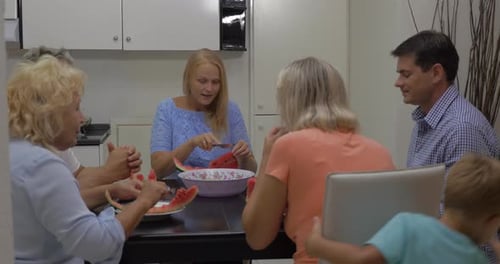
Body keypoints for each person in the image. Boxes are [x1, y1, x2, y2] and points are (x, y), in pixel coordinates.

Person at [8, 54, 169, 263]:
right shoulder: (43, 165)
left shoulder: (14, 151)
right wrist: (144, 201)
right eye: (76, 108)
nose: (82, 118)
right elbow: (98, 246)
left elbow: (55, 209)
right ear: (52, 114)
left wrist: (111, 190)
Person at [241, 57, 395, 263]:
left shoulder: (289, 145)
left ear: (290, 101)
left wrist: (267, 155)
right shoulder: (380, 152)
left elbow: (257, 238)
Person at [392, 30, 500, 262]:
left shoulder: (461, 128)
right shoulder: (424, 122)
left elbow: (465, 220)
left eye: (405, 74)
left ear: (436, 73)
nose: (397, 82)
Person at [305, 153, 500, 264]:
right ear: (492, 220)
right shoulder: (476, 259)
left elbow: (361, 260)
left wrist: (316, 245)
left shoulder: (409, 226)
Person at [22, 46, 145, 210]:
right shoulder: (25, 147)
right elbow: (62, 198)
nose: (83, 118)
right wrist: (110, 175)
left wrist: (117, 169)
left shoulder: (51, 135)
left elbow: (78, 176)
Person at [151, 48, 257, 179]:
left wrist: (244, 158)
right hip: (176, 190)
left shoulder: (231, 110)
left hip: (223, 191)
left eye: (215, 82)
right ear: (188, 79)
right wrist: (191, 144)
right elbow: (158, 169)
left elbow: (252, 169)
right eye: (202, 81)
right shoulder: (167, 109)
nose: (209, 89)